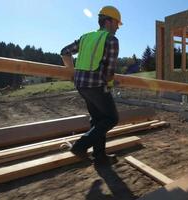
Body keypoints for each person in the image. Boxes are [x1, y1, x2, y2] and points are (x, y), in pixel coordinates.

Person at [60, 6, 122, 165]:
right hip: (96, 86)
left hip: (81, 85)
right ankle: (80, 146)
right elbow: (109, 70)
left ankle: (100, 157)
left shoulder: (86, 37)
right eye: (116, 23)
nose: (117, 27)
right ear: (108, 22)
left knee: (97, 120)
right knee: (111, 118)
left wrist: (73, 74)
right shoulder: (111, 40)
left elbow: (64, 52)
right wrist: (109, 85)